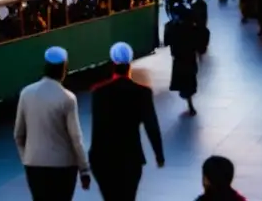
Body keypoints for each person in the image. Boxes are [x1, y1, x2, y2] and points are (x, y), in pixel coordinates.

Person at [88, 42, 164, 201]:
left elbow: (97, 127)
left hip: (103, 159)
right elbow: (152, 126)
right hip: (131, 157)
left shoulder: (98, 92)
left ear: (113, 63)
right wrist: (159, 154)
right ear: (130, 62)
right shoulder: (143, 93)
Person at [14, 46, 91, 200]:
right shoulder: (67, 98)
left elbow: (18, 134)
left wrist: (27, 158)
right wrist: (84, 169)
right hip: (63, 167)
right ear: (63, 69)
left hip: (34, 165)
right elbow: (76, 139)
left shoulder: (26, 93)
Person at [165, 6, 199, 115]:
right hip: (190, 57)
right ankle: (190, 103)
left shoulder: (171, 27)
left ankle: (189, 103)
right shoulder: (191, 27)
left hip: (179, 58)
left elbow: (167, 41)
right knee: (189, 80)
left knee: (184, 82)